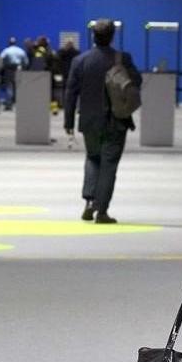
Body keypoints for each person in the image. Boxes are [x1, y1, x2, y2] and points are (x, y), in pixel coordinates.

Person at [63, 20, 141, 224]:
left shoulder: (80, 61)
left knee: (92, 158)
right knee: (109, 165)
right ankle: (102, 211)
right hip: (116, 121)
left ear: (93, 36)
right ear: (112, 36)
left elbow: (70, 93)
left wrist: (68, 121)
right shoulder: (122, 59)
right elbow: (136, 83)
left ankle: (89, 202)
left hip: (89, 122)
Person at [0, 37, 28, 110]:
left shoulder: (6, 50)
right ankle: (22, 105)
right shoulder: (20, 50)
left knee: (9, 87)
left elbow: (0, 58)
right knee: (19, 87)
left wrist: (0, 68)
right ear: (15, 42)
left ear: (9, 43)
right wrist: (23, 68)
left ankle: (9, 105)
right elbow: (26, 61)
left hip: (9, 70)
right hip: (18, 69)